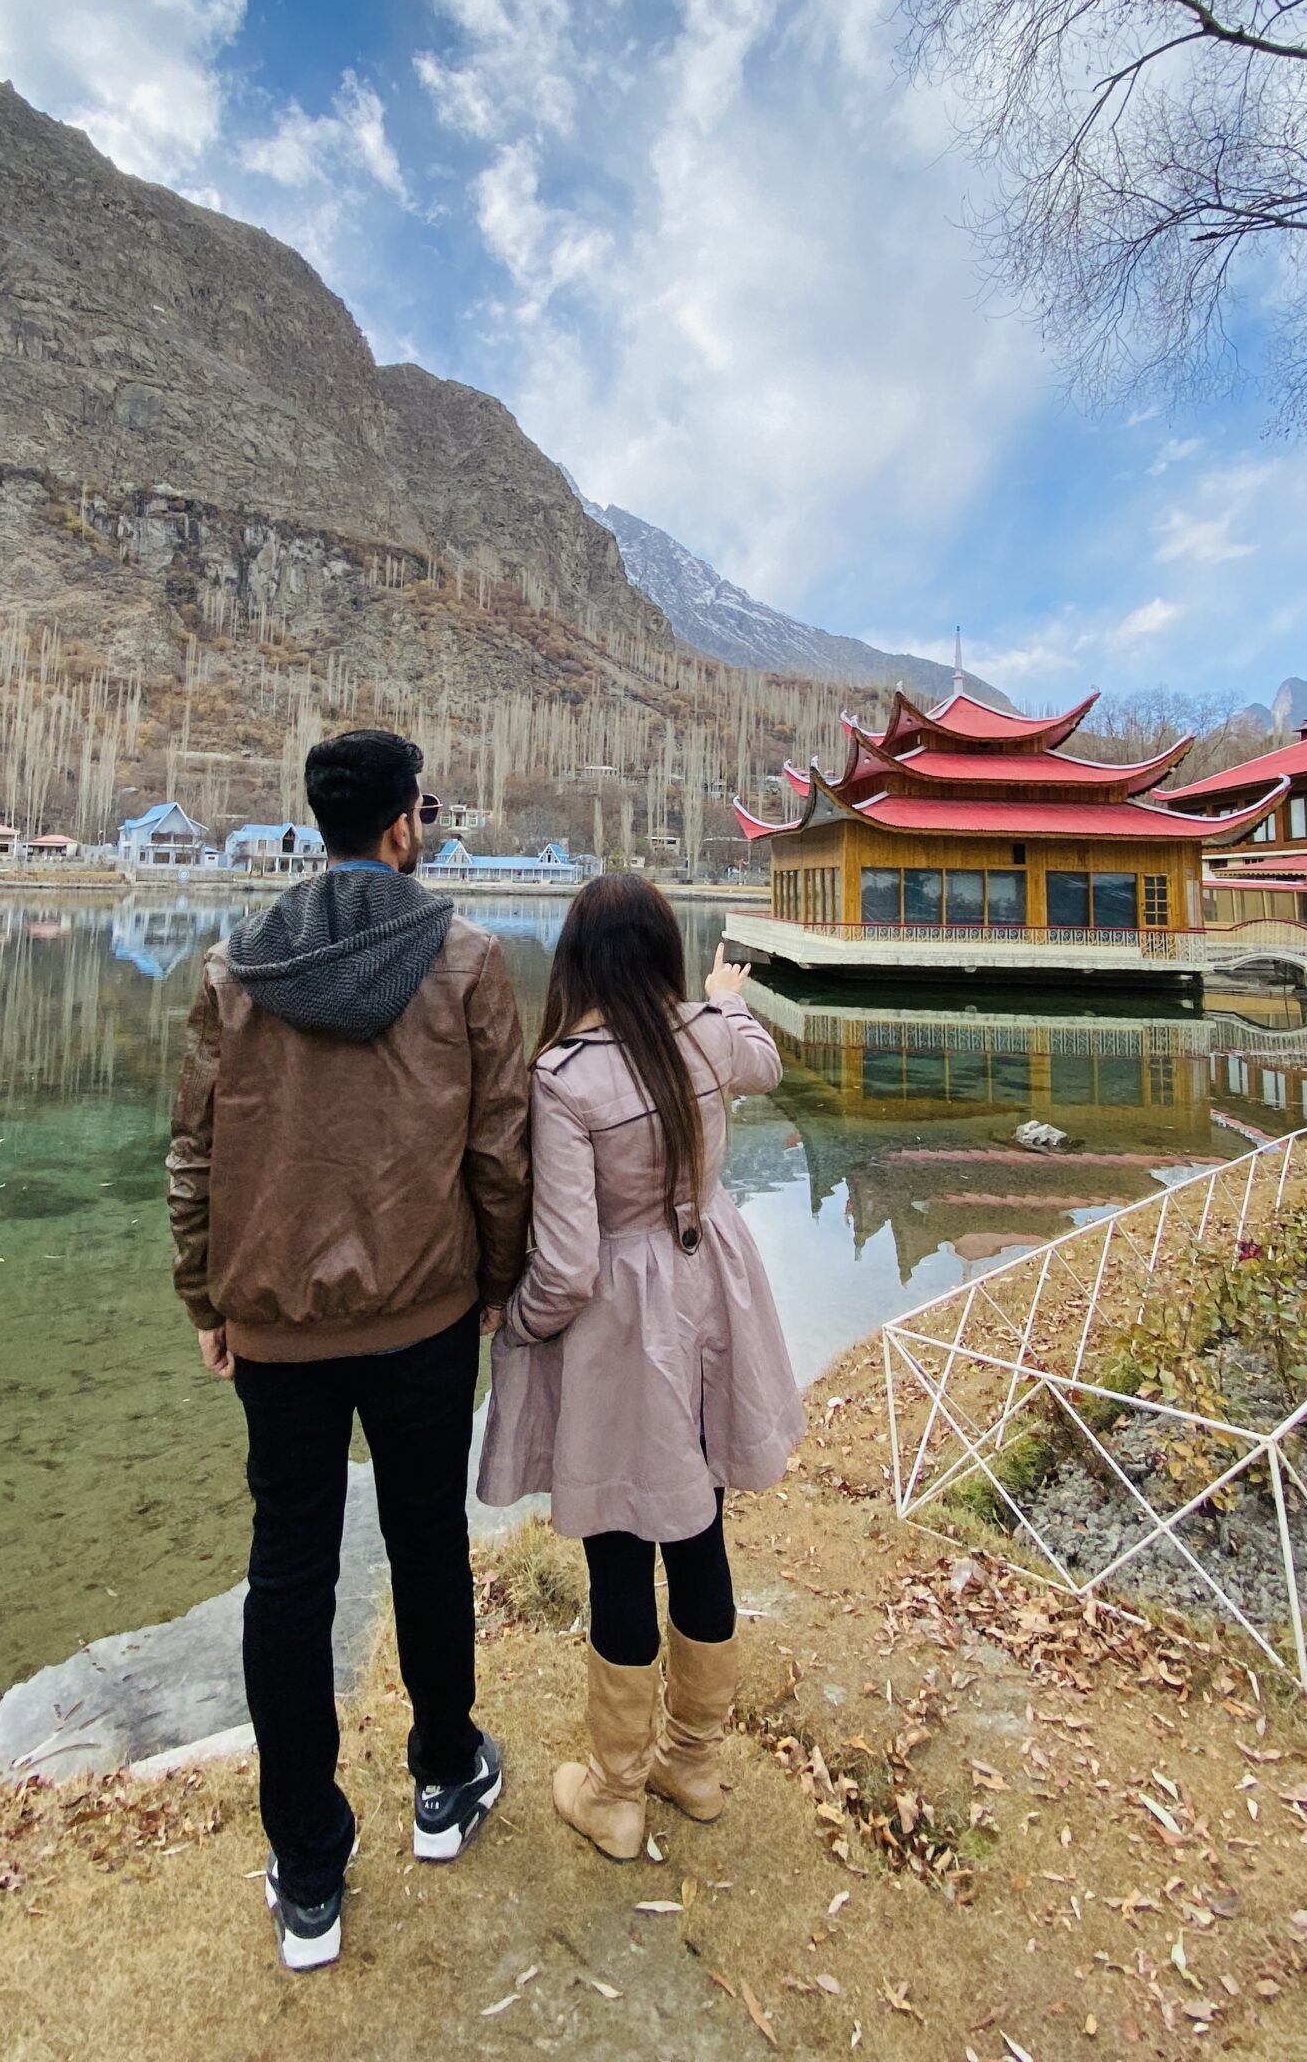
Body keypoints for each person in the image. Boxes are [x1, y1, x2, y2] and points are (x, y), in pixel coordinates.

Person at [166, 729, 531, 1970]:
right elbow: (500, 1150)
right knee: (427, 1543)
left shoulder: (235, 968)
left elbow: (194, 1150)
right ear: (401, 825)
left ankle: (310, 1872)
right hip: (425, 1316)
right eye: (422, 808)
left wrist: (205, 1298)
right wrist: (496, 1279)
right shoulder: (468, 959)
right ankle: (444, 1778)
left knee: (288, 1574)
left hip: (275, 1331)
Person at [477, 877, 804, 1859]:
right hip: (714, 1302)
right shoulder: (702, 1035)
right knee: (701, 1531)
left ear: (575, 958)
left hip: (626, 1331)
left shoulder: (564, 1077)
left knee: (619, 1546)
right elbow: (764, 1063)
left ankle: (616, 1792)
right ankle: (691, 1765)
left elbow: (568, 1265)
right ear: (662, 951)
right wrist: (725, 997)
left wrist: (516, 1324)